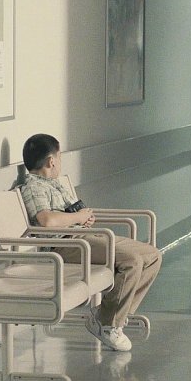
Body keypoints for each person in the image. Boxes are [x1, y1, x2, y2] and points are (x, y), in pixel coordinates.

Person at [18, 134, 162, 352]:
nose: (60, 161)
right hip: (66, 246)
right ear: (51, 161)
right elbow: (47, 220)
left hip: (84, 237)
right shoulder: (34, 187)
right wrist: (77, 217)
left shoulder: (55, 184)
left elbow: (69, 214)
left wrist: (83, 217)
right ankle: (108, 324)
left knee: (152, 256)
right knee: (131, 262)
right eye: (60, 157)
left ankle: (109, 314)